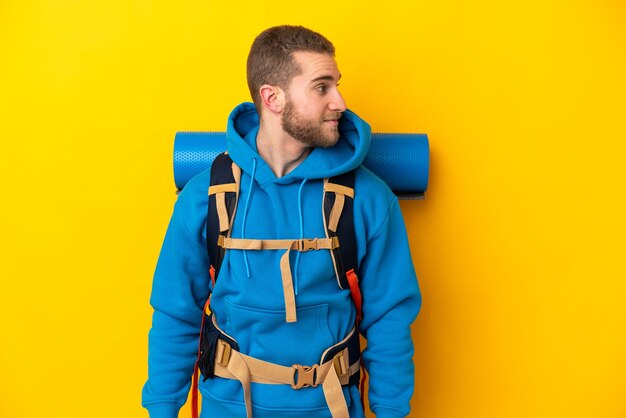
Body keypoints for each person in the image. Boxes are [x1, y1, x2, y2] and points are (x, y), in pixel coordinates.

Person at [142, 25, 421, 418]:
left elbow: (391, 316)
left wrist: (391, 410)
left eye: (337, 85)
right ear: (272, 97)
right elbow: (175, 311)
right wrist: (161, 409)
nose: (340, 102)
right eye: (322, 87)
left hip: (331, 407)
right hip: (227, 407)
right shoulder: (206, 197)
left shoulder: (368, 198)